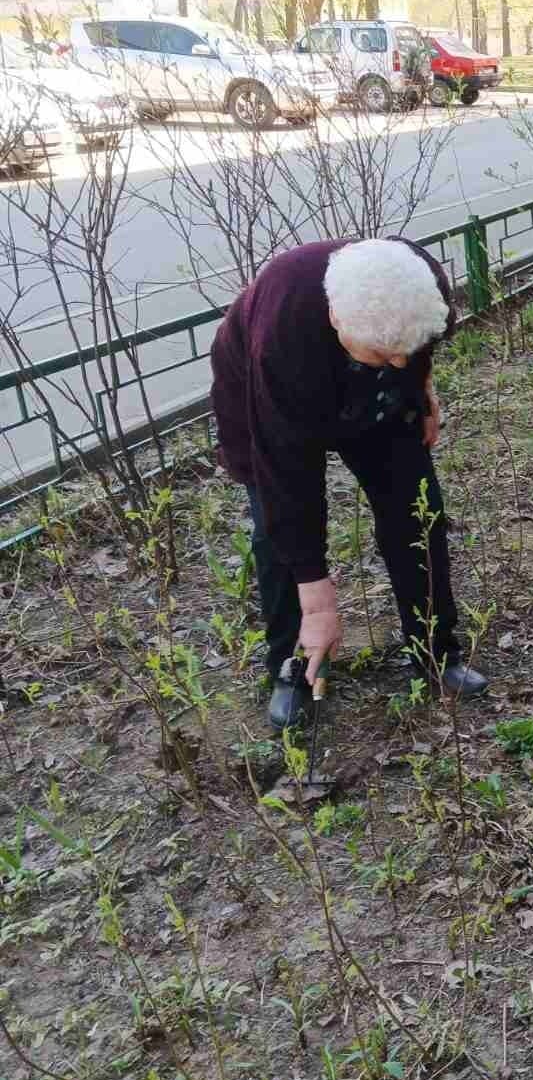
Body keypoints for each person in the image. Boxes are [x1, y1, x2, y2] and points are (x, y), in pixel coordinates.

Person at [210, 238, 491, 729]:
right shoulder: (282, 340)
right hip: (263, 397)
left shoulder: (420, 281)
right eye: (386, 354)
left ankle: (435, 652)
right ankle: (295, 668)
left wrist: (420, 389)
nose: (401, 363)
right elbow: (288, 480)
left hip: (370, 390)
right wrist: (318, 601)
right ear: (338, 319)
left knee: (416, 510)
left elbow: (413, 351)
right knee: (278, 535)